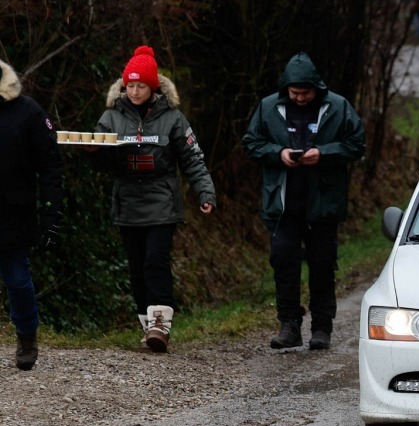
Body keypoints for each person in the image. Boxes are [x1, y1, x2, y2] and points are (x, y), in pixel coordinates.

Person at [88, 45, 217, 353]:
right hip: (127, 202)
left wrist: (206, 192)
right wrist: (92, 153)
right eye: (130, 86)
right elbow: (103, 163)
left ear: (153, 87)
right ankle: (148, 327)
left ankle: (161, 324)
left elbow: (193, 159)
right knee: (136, 266)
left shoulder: (173, 118)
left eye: (141, 86)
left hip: (162, 201)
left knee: (154, 261)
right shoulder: (110, 117)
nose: (134, 92)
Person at [242, 52, 365, 350]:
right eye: (294, 92)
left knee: (322, 264)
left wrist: (323, 154)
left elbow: (356, 144)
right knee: (284, 262)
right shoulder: (268, 107)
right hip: (282, 202)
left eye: (305, 93)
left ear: (316, 88)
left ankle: (322, 327)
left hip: (323, 201)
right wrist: (279, 153)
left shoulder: (338, 106)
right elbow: (251, 143)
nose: (299, 98)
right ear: (286, 88)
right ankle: (289, 325)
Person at [0, 59, 64, 370]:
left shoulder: (27, 112)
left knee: (17, 280)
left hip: (13, 213)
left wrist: (52, 216)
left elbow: (50, 166)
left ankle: (27, 337)